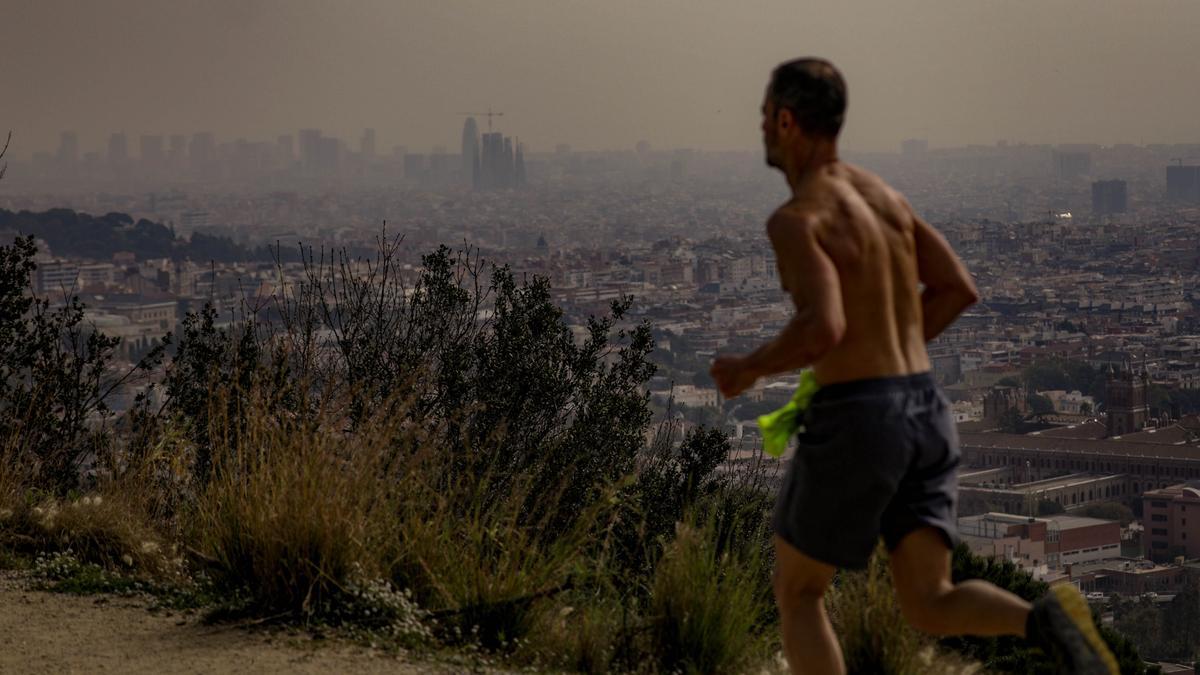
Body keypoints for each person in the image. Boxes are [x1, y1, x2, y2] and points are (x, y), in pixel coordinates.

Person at [709, 58, 1118, 675]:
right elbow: (956, 287)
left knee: (799, 592)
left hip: (859, 418)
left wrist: (749, 368)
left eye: (766, 116)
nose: (763, 127)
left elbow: (824, 326)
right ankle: (1043, 620)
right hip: (926, 408)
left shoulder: (798, 219)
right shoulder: (886, 198)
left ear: (787, 121)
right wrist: (894, 350)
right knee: (930, 600)